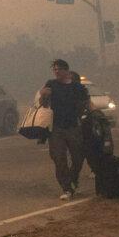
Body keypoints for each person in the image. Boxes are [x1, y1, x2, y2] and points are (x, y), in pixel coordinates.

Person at [38, 59, 91, 200]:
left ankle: (73, 181)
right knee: (59, 158)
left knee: (78, 157)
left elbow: (85, 104)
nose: (56, 72)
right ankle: (67, 188)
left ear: (66, 71)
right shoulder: (51, 84)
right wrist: (43, 95)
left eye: (59, 69)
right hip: (56, 128)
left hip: (73, 127)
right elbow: (42, 104)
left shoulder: (77, 87)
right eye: (54, 69)